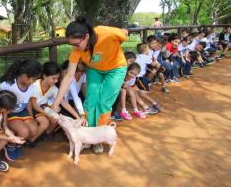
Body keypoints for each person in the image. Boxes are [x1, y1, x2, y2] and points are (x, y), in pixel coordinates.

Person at [51, 16, 128, 154]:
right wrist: (56, 103)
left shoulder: (106, 33)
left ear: (87, 36)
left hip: (116, 68)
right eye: (72, 45)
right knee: (90, 101)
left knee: (104, 103)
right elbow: (69, 76)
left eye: (76, 44)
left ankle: (98, 138)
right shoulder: (76, 52)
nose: (75, 48)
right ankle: (89, 136)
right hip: (95, 69)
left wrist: (122, 33)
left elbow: (124, 33)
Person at [0, 59, 42, 160]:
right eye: (34, 79)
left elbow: (27, 102)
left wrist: (31, 116)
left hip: (21, 111)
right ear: (24, 76)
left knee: (34, 129)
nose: (35, 81)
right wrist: (5, 125)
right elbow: (4, 107)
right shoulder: (8, 85)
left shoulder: (31, 86)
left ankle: (18, 144)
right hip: (9, 112)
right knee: (24, 132)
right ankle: (10, 145)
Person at [30, 61, 81, 146]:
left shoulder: (53, 88)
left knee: (56, 119)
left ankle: (44, 135)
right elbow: (34, 106)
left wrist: (77, 116)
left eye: (57, 78)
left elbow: (63, 102)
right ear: (45, 76)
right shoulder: (35, 85)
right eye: (53, 78)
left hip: (43, 107)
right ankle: (31, 140)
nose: (56, 81)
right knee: (45, 122)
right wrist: (48, 114)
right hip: (34, 108)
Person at [135, 43, 162, 114]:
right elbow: (154, 64)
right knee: (143, 93)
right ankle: (154, 104)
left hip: (137, 76)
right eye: (148, 49)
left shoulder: (136, 55)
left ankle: (154, 104)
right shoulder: (146, 57)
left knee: (139, 92)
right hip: (139, 77)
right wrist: (155, 60)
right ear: (146, 50)